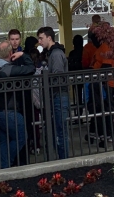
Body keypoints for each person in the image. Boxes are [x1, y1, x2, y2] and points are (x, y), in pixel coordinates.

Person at [0, 41, 32, 168]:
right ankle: (8, 159)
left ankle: (4, 167)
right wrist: (23, 55)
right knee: (21, 137)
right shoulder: (9, 69)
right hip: (9, 110)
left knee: (2, 140)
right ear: (11, 53)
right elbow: (31, 69)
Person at [38, 26, 70, 159]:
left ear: (49, 38)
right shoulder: (52, 53)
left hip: (58, 95)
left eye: (41, 38)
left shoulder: (55, 54)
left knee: (60, 130)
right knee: (58, 129)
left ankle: (64, 160)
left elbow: (58, 76)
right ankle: (62, 158)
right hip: (57, 95)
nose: (39, 41)